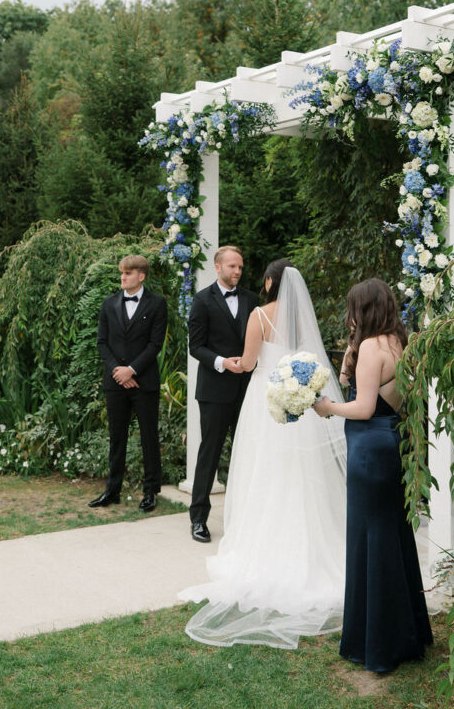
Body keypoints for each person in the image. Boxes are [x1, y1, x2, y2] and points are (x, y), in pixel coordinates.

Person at [180, 261, 347, 648]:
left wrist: (237, 363)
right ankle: (311, 543)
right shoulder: (303, 320)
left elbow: (251, 362)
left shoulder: (259, 314)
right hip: (300, 406)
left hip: (266, 401)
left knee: (265, 469)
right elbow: (312, 361)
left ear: (270, 282)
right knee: (304, 473)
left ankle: (263, 542)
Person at [314, 277, 433, 672]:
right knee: (393, 537)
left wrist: (328, 407)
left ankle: (378, 644)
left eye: (352, 308)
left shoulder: (370, 347)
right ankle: (407, 633)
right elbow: (373, 391)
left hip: (369, 448)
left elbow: (363, 407)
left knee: (370, 541)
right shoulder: (398, 341)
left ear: (361, 309)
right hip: (392, 441)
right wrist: (350, 355)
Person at [187, 245, 259, 542]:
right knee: (210, 453)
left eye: (240, 267)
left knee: (247, 453)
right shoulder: (202, 300)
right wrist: (221, 363)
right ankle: (199, 519)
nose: (237, 271)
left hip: (247, 390)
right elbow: (196, 346)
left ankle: (245, 518)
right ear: (217, 267)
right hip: (215, 391)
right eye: (232, 266)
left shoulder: (252, 300)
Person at [89, 254, 168, 512]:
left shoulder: (157, 304)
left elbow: (155, 344)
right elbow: (102, 342)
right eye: (122, 273)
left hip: (144, 381)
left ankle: (150, 492)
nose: (123, 277)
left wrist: (132, 370)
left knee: (148, 437)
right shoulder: (108, 303)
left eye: (128, 273)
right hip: (115, 382)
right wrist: (118, 372)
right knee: (117, 437)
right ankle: (112, 490)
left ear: (141, 276)